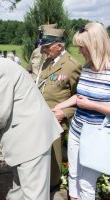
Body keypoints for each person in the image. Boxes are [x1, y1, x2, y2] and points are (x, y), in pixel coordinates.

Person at [0, 46, 63, 200]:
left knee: (34, 193)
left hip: (31, 140)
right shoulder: (1, 65)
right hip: (26, 138)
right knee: (19, 188)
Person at [52, 22, 110, 200]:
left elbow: (86, 103)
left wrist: (93, 106)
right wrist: (58, 107)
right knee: (73, 176)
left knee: (85, 183)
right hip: (77, 131)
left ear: (94, 45)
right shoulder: (86, 67)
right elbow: (79, 97)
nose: (79, 51)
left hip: (96, 136)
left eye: (81, 47)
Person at [38, 28, 82, 192]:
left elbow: (80, 97)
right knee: (42, 156)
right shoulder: (47, 62)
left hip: (56, 121)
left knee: (54, 159)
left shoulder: (72, 66)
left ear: (58, 45)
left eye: (47, 46)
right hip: (40, 118)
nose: (44, 49)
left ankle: (53, 186)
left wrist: (65, 113)